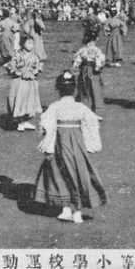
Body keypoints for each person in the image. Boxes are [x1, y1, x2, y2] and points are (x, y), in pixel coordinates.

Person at [34, 71, 107, 224]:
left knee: (60, 175)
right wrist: (90, 143)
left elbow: (46, 125)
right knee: (78, 174)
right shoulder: (80, 107)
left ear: (58, 89)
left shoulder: (55, 106)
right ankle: (75, 211)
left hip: (59, 144)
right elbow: (92, 122)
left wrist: (47, 142)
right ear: (74, 89)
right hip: (76, 146)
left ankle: (66, 208)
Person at [4, 36, 43, 131]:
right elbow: (10, 65)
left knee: (29, 100)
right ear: (22, 44)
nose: (31, 45)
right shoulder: (18, 55)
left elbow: (38, 66)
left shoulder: (35, 56)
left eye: (32, 43)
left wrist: (34, 72)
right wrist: (18, 72)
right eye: (28, 43)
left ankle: (24, 120)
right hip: (20, 82)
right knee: (19, 99)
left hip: (30, 82)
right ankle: (19, 122)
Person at [72, 25, 106, 113]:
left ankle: (84, 106)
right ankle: (96, 108)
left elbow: (77, 59)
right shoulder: (96, 50)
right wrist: (98, 67)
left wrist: (75, 66)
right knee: (94, 88)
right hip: (93, 70)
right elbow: (100, 60)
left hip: (84, 70)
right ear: (96, 39)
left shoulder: (83, 49)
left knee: (84, 87)